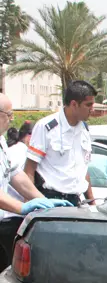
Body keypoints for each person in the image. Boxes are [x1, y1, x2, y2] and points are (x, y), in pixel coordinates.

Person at [0, 94, 72, 272]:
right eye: (9, 115)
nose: (11, 120)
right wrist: (21, 207)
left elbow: (14, 173)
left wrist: (42, 201)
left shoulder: (1, 141)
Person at [24, 80, 97, 206]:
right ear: (74, 104)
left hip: (75, 202)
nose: (92, 109)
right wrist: (31, 205)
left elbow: (83, 170)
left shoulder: (84, 129)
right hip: (49, 200)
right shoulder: (46, 127)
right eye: (88, 105)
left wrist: (93, 204)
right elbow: (29, 170)